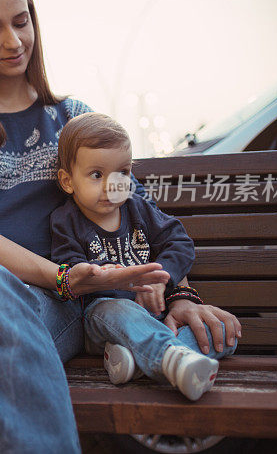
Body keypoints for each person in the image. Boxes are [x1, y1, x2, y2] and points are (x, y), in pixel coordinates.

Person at [0, 0, 242, 453]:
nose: (14, 41)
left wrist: (179, 294)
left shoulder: (70, 118)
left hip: (48, 307)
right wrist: (60, 278)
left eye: (21, 22)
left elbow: (134, 211)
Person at [50, 112, 236, 401]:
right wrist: (107, 275)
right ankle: (171, 358)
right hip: (105, 319)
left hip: (158, 319)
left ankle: (138, 363)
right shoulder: (66, 221)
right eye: (97, 175)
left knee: (223, 329)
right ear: (68, 180)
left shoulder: (139, 209)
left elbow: (179, 242)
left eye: (122, 173)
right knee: (118, 311)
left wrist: (164, 280)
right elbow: (73, 270)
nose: (112, 185)